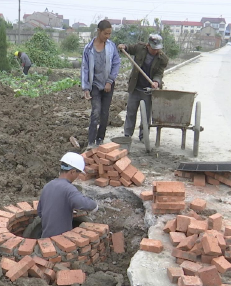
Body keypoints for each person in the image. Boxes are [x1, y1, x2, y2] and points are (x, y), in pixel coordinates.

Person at [117, 34, 169, 142]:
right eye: (153, 49)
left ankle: (143, 136)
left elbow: (159, 74)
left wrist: (156, 82)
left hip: (149, 91)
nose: (156, 51)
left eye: (158, 49)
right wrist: (124, 46)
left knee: (146, 115)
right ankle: (127, 135)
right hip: (135, 87)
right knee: (131, 112)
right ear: (148, 45)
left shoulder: (163, 59)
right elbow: (130, 48)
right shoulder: (140, 48)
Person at [37, 152, 98, 238]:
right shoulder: (69, 189)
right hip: (61, 242)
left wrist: (63, 210)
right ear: (72, 172)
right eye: (78, 173)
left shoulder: (48, 186)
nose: (77, 176)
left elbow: (40, 212)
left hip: (46, 240)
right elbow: (83, 203)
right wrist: (95, 206)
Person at [81, 20, 121, 150]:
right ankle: (91, 142)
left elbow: (116, 63)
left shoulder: (111, 46)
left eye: (109, 34)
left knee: (104, 113)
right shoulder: (88, 49)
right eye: (105, 33)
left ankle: (100, 139)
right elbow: (85, 68)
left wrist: (110, 81)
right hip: (95, 86)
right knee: (96, 112)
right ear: (99, 31)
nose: (107, 36)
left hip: (108, 85)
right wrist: (86, 87)